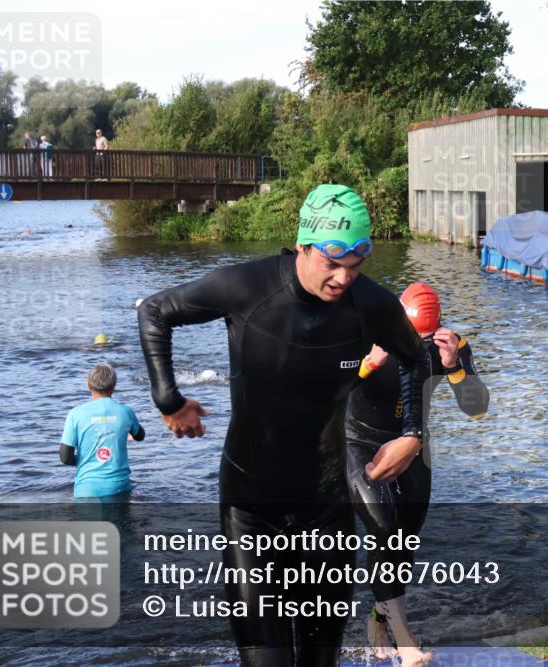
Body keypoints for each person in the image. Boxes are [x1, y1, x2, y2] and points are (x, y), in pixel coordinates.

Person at [137, 183, 429, 667]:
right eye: (331, 264)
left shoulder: (371, 305)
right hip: (251, 513)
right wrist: (168, 399)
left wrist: (411, 436)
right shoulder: (248, 288)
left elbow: (414, 360)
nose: (342, 280)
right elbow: (155, 311)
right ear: (303, 245)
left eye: (354, 268)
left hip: (325, 510)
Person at [346, 282, 489, 667]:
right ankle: (407, 644)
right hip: (358, 442)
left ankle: (377, 620)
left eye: (424, 338)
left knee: (404, 543)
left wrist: (454, 368)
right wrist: (366, 364)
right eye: (412, 336)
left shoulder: (448, 345)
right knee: (382, 527)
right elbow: (321, 387)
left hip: (412, 447)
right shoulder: (367, 332)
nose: (417, 345)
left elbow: (477, 411)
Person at [59, 364, 145, 500]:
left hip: (86, 489)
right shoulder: (125, 411)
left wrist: (85, 461)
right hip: (119, 487)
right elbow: (140, 436)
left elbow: (65, 457)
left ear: (88, 385)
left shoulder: (75, 414)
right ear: (114, 387)